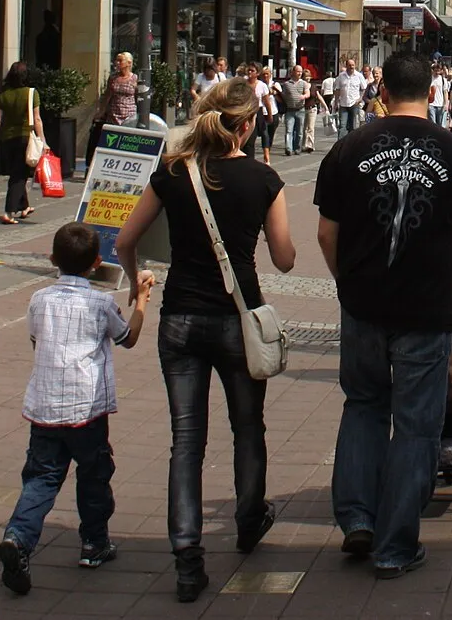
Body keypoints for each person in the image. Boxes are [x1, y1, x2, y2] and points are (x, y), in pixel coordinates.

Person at [115, 78, 294, 603]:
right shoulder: (264, 179)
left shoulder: (173, 172)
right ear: (245, 125)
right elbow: (284, 258)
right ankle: (247, 518)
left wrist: (135, 283)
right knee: (247, 426)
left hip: (180, 321)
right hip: (239, 321)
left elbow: (125, 240)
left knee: (186, 442)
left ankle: (187, 557)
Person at [314, 51, 452, 579]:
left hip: (364, 303)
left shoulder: (348, 149)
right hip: (425, 305)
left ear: (381, 92)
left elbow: (327, 233)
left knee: (364, 405)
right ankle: (395, 544)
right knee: (416, 425)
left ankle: (358, 518)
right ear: (434, 93)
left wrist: (348, 281)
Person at [0, 222, 147, 596]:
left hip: (45, 405)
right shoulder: (99, 303)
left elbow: (35, 338)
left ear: (52, 260)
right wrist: (141, 298)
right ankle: (94, 543)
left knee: (41, 477)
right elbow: (128, 337)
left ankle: (18, 538)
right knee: (94, 474)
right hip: (87, 409)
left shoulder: (39, 299)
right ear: (97, 262)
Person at [0, 63, 45, 225]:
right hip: (26, 139)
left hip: (7, 139)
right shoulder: (32, 93)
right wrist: (43, 141)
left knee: (17, 172)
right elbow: (37, 119)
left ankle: (24, 206)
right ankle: (8, 212)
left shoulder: (4, 96)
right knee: (19, 176)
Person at [90, 51, 140, 135]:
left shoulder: (135, 78)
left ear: (128, 63)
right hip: (113, 115)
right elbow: (107, 96)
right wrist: (101, 112)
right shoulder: (113, 78)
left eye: (120, 60)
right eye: (117, 60)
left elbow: (138, 97)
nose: (117, 63)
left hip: (129, 115)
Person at [278, 66, 312, 155]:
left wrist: (304, 96)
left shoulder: (304, 83)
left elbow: (307, 93)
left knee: (299, 131)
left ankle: (297, 148)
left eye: (301, 72)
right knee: (289, 130)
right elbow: (283, 96)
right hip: (290, 110)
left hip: (300, 110)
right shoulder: (286, 84)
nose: (300, 73)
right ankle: (288, 148)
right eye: (298, 71)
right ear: (293, 72)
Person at [332, 56, 369, 135]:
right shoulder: (341, 76)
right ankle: (341, 144)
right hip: (343, 104)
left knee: (353, 126)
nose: (351, 67)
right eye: (350, 65)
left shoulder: (359, 76)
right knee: (342, 126)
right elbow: (337, 89)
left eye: (353, 65)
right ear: (346, 66)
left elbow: (364, 88)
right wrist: (335, 103)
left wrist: (360, 99)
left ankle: (351, 144)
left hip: (354, 104)